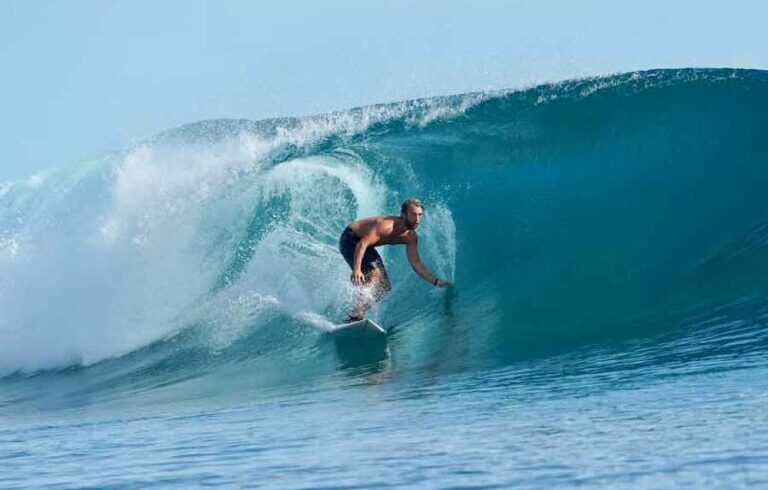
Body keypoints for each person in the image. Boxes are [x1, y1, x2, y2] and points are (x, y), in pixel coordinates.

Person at [338, 198, 453, 323]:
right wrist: (357, 269)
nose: (417, 219)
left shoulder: (410, 237)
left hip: (366, 246)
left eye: (420, 215)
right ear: (403, 215)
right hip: (350, 239)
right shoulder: (386, 226)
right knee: (375, 273)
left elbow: (416, 264)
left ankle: (357, 311)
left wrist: (436, 281)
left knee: (384, 287)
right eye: (413, 214)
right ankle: (356, 314)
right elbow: (362, 244)